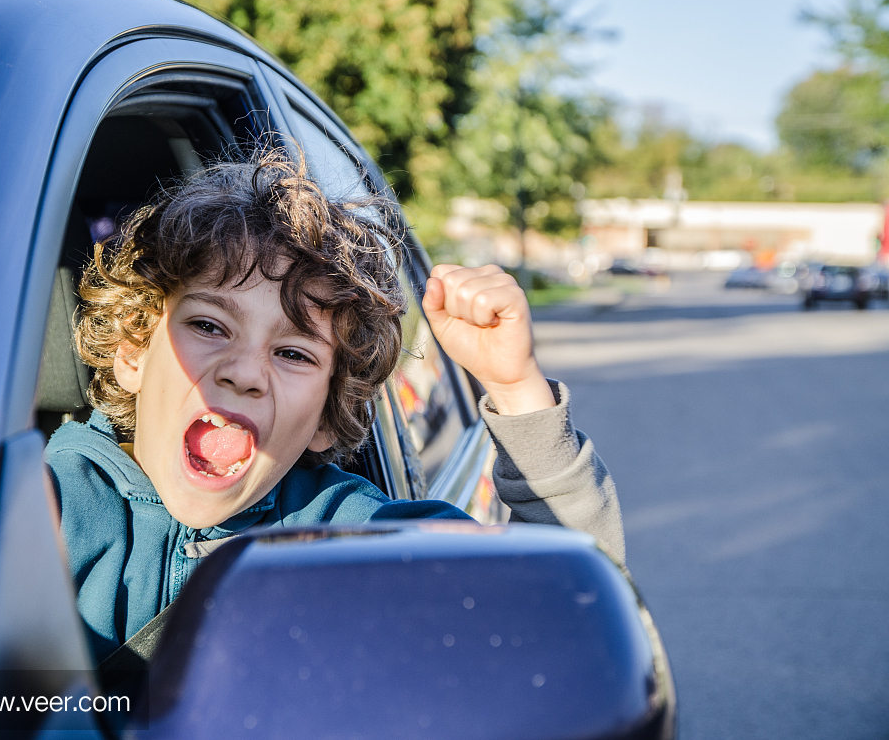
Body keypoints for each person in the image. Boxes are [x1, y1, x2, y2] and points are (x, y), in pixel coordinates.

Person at [45, 148, 623, 665]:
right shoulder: (35, 507)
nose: (245, 372)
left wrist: (516, 386)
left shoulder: (344, 536)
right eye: (208, 325)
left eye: (294, 353)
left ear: (327, 415)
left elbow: (570, 611)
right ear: (132, 350)